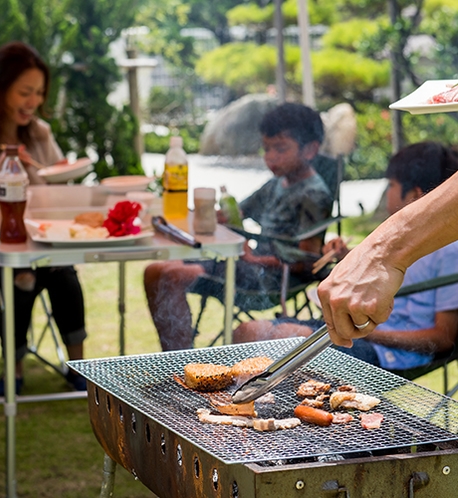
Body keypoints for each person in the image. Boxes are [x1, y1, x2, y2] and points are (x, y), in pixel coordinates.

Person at [235, 142, 458, 372]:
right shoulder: (396, 240)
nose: (387, 191)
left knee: (279, 341)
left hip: (386, 351)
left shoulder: (450, 252)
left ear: (416, 195)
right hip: (355, 331)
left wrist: (374, 335)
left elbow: (443, 338)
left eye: (391, 184)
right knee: (247, 331)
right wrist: (348, 257)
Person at [144, 102, 333, 351]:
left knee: (170, 275)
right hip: (248, 264)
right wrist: (215, 215)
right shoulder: (278, 183)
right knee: (155, 271)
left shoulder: (314, 194)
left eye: (280, 149)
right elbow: (238, 212)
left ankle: (181, 362)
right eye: (266, 149)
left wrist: (255, 259)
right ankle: (177, 355)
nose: (270, 157)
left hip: (272, 278)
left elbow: (308, 262)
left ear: (310, 150)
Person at [0, 41, 87, 395]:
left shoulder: (40, 133)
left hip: (34, 247)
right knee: (18, 271)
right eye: (25, 92)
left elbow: (60, 181)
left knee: (60, 266)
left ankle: (78, 367)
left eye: (40, 93)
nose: (33, 102)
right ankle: (12, 370)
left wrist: (49, 174)